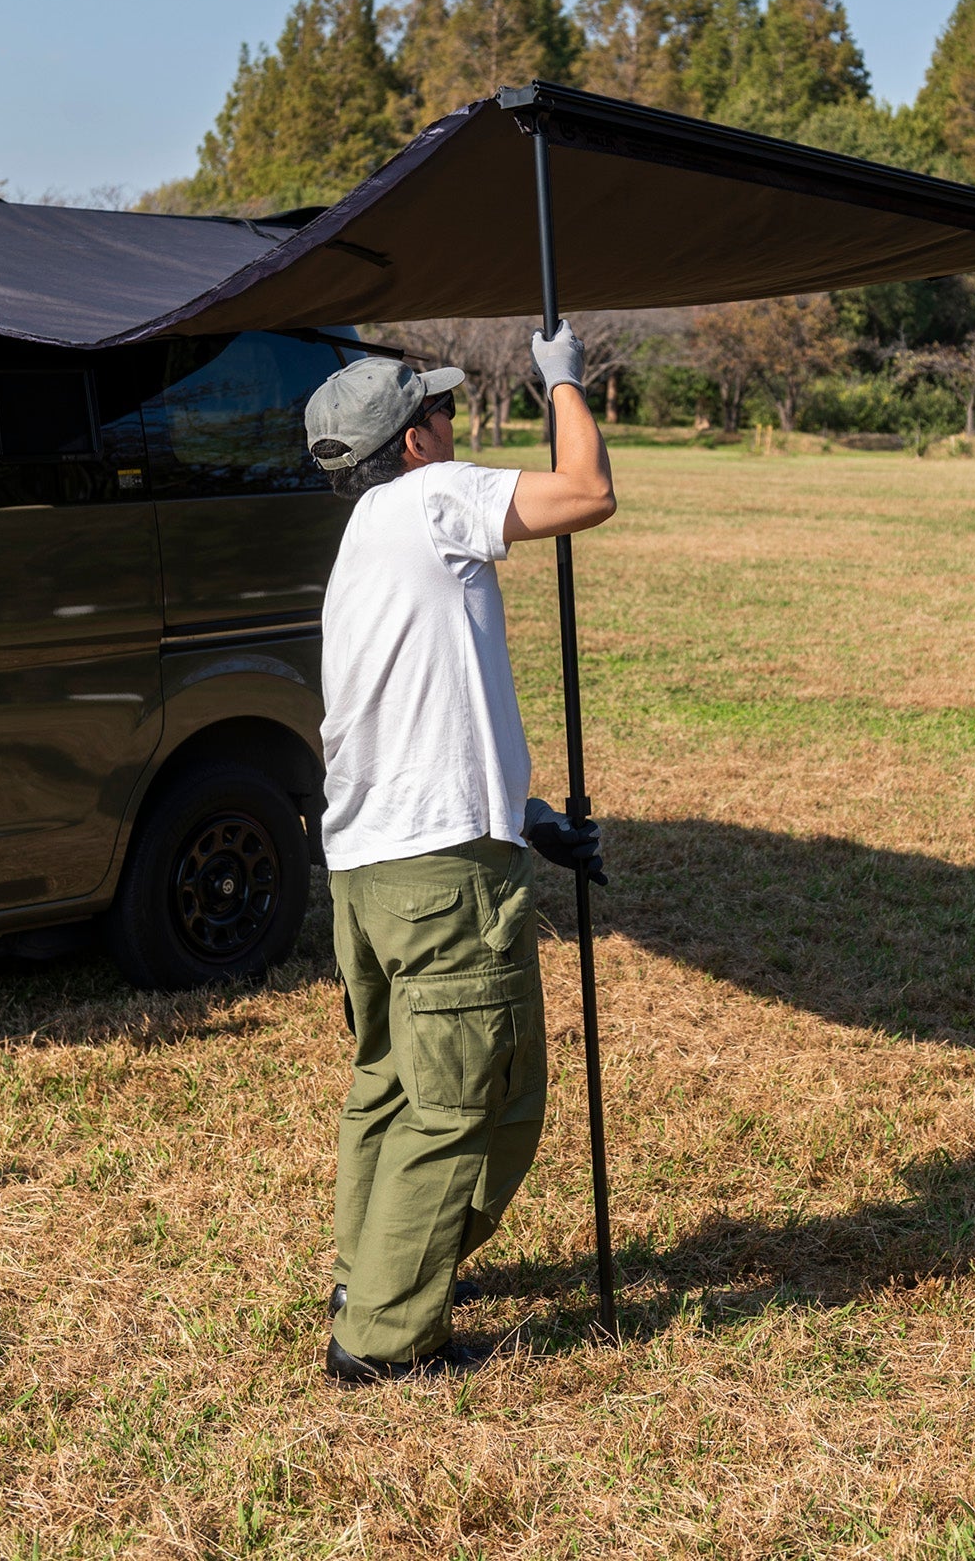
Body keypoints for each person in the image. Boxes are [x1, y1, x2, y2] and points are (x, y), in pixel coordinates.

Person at [304, 322, 615, 1384]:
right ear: (412, 443)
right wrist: (564, 382)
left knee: (390, 1083)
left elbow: (422, 715)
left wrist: (521, 814)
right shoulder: (429, 501)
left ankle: (373, 1271)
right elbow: (586, 493)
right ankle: (384, 1336)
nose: (453, 416)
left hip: (371, 864)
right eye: (439, 408)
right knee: (482, 1101)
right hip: (440, 873)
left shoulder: (361, 544)